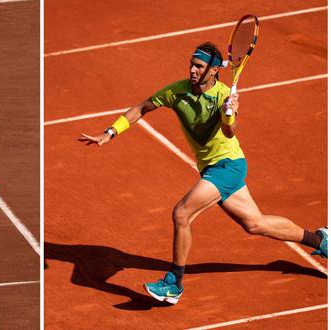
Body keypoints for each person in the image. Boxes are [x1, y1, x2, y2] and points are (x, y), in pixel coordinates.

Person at [80, 42, 327, 305]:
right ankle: (321, 239)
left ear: (213, 70)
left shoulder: (224, 96)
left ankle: (173, 284)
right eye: (191, 64)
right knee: (255, 224)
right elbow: (142, 108)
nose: (192, 70)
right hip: (211, 167)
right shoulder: (177, 92)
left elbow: (230, 133)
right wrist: (110, 132)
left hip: (228, 165)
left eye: (198, 66)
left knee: (182, 213)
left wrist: (229, 115)